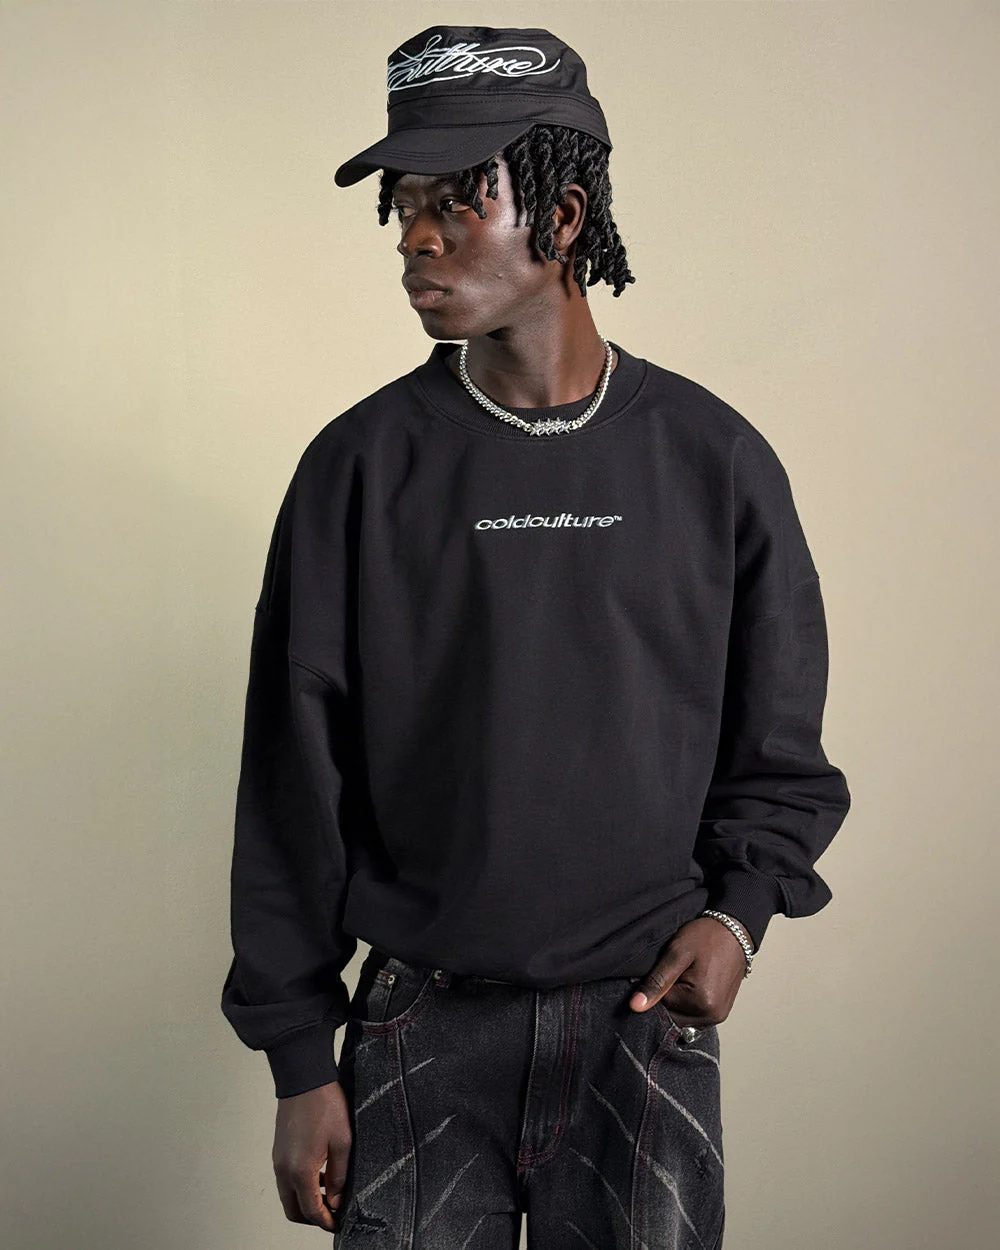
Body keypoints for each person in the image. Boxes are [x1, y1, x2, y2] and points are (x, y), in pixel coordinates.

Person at [220, 24, 851, 1249]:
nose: (414, 236)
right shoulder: (358, 468)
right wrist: (300, 1056)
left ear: (561, 218)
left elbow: (778, 740)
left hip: (642, 1025)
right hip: (417, 1026)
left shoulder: (712, 460)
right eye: (405, 204)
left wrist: (738, 915)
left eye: (455, 200)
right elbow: (293, 780)